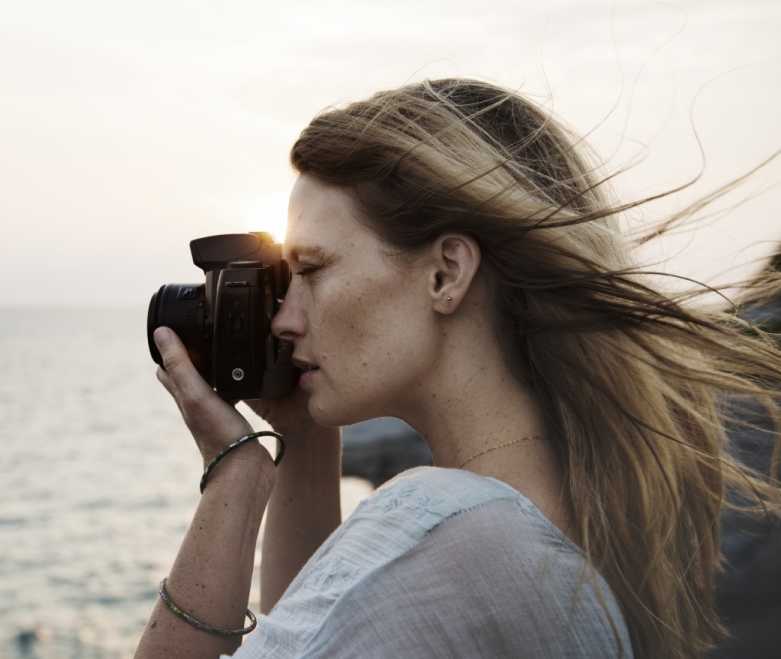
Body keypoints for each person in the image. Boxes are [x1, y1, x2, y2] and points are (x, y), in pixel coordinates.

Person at [133, 79, 781, 659]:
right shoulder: (557, 518)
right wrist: (302, 444)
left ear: (446, 273)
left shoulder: (445, 525)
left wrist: (236, 478)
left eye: (312, 269)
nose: (284, 318)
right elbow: (310, 631)